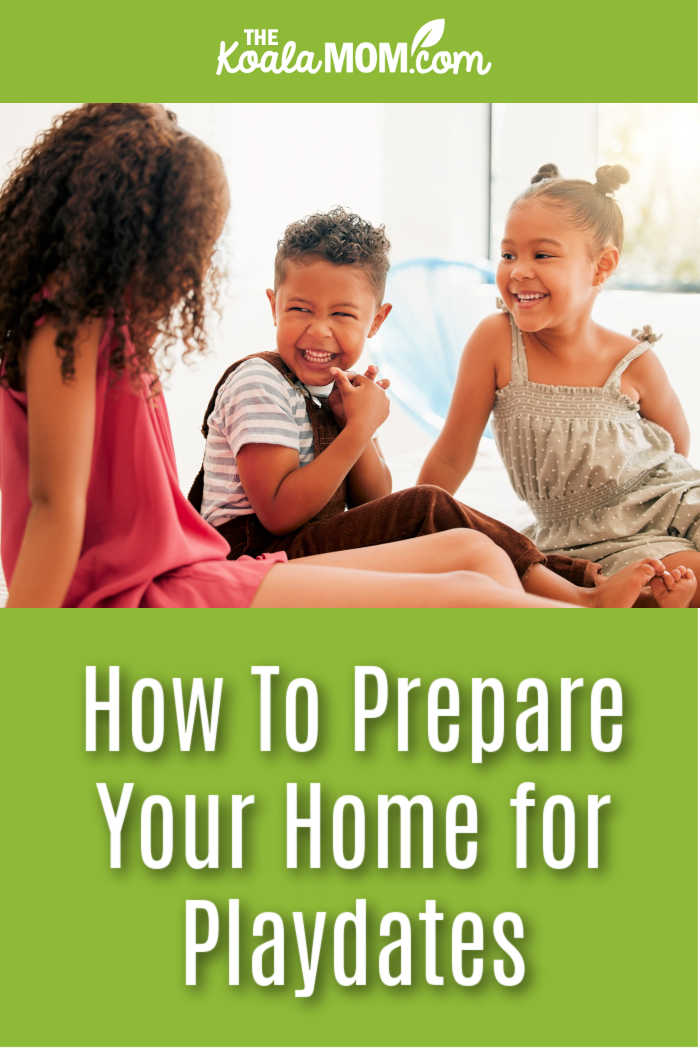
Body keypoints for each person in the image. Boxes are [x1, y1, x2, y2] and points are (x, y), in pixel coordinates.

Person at [0, 103, 595, 611]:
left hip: (183, 570)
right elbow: (55, 505)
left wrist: (359, 427)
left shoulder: (105, 327)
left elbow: (370, 499)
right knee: (468, 594)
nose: (192, 271)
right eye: (189, 247)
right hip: (144, 593)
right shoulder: (67, 327)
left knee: (472, 554)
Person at [191, 206, 672, 609]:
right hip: (253, 555)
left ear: (376, 321)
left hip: (299, 547)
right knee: (427, 504)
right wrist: (358, 430)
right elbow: (277, 513)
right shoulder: (261, 382)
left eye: (342, 315)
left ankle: (595, 585)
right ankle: (582, 594)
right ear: (274, 306)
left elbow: (371, 505)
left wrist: (354, 426)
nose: (319, 331)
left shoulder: (330, 392)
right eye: (300, 309)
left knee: (440, 524)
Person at [419, 163, 697, 608]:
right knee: (649, 582)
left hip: (667, 505)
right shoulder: (496, 342)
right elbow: (453, 454)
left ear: (601, 266)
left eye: (542, 255)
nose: (519, 271)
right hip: (577, 535)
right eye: (508, 254)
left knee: (685, 571)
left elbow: (676, 446)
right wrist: (410, 527)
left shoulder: (634, 360)